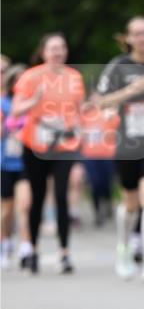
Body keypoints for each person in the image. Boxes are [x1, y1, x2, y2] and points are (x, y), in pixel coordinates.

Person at [94, 16, 144, 281]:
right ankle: (124, 247)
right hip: (127, 142)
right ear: (127, 38)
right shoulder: (118, 66)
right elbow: (100, 101)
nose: (141, 38)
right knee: (131, 203)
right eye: (136, 34)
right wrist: (130, 91)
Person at [11, 33, 84, 274]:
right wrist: (34, 100)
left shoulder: (75, 77)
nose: (58, 52)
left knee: (62, 195)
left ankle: (64, 253)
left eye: (61, 48)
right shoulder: (31, 77)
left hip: (64, 145)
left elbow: (79, 110)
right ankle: (32, 249)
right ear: (43, 52)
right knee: (38, 197)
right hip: (36, 145)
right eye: (53, 48)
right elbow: (16, 110)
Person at [1, 60, 32, 270]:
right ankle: (5, 243)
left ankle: (26, 246)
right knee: (6, 210)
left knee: (24, 205)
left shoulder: (34, 106)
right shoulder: (4, 103)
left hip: (25, 162)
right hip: (5, 162)